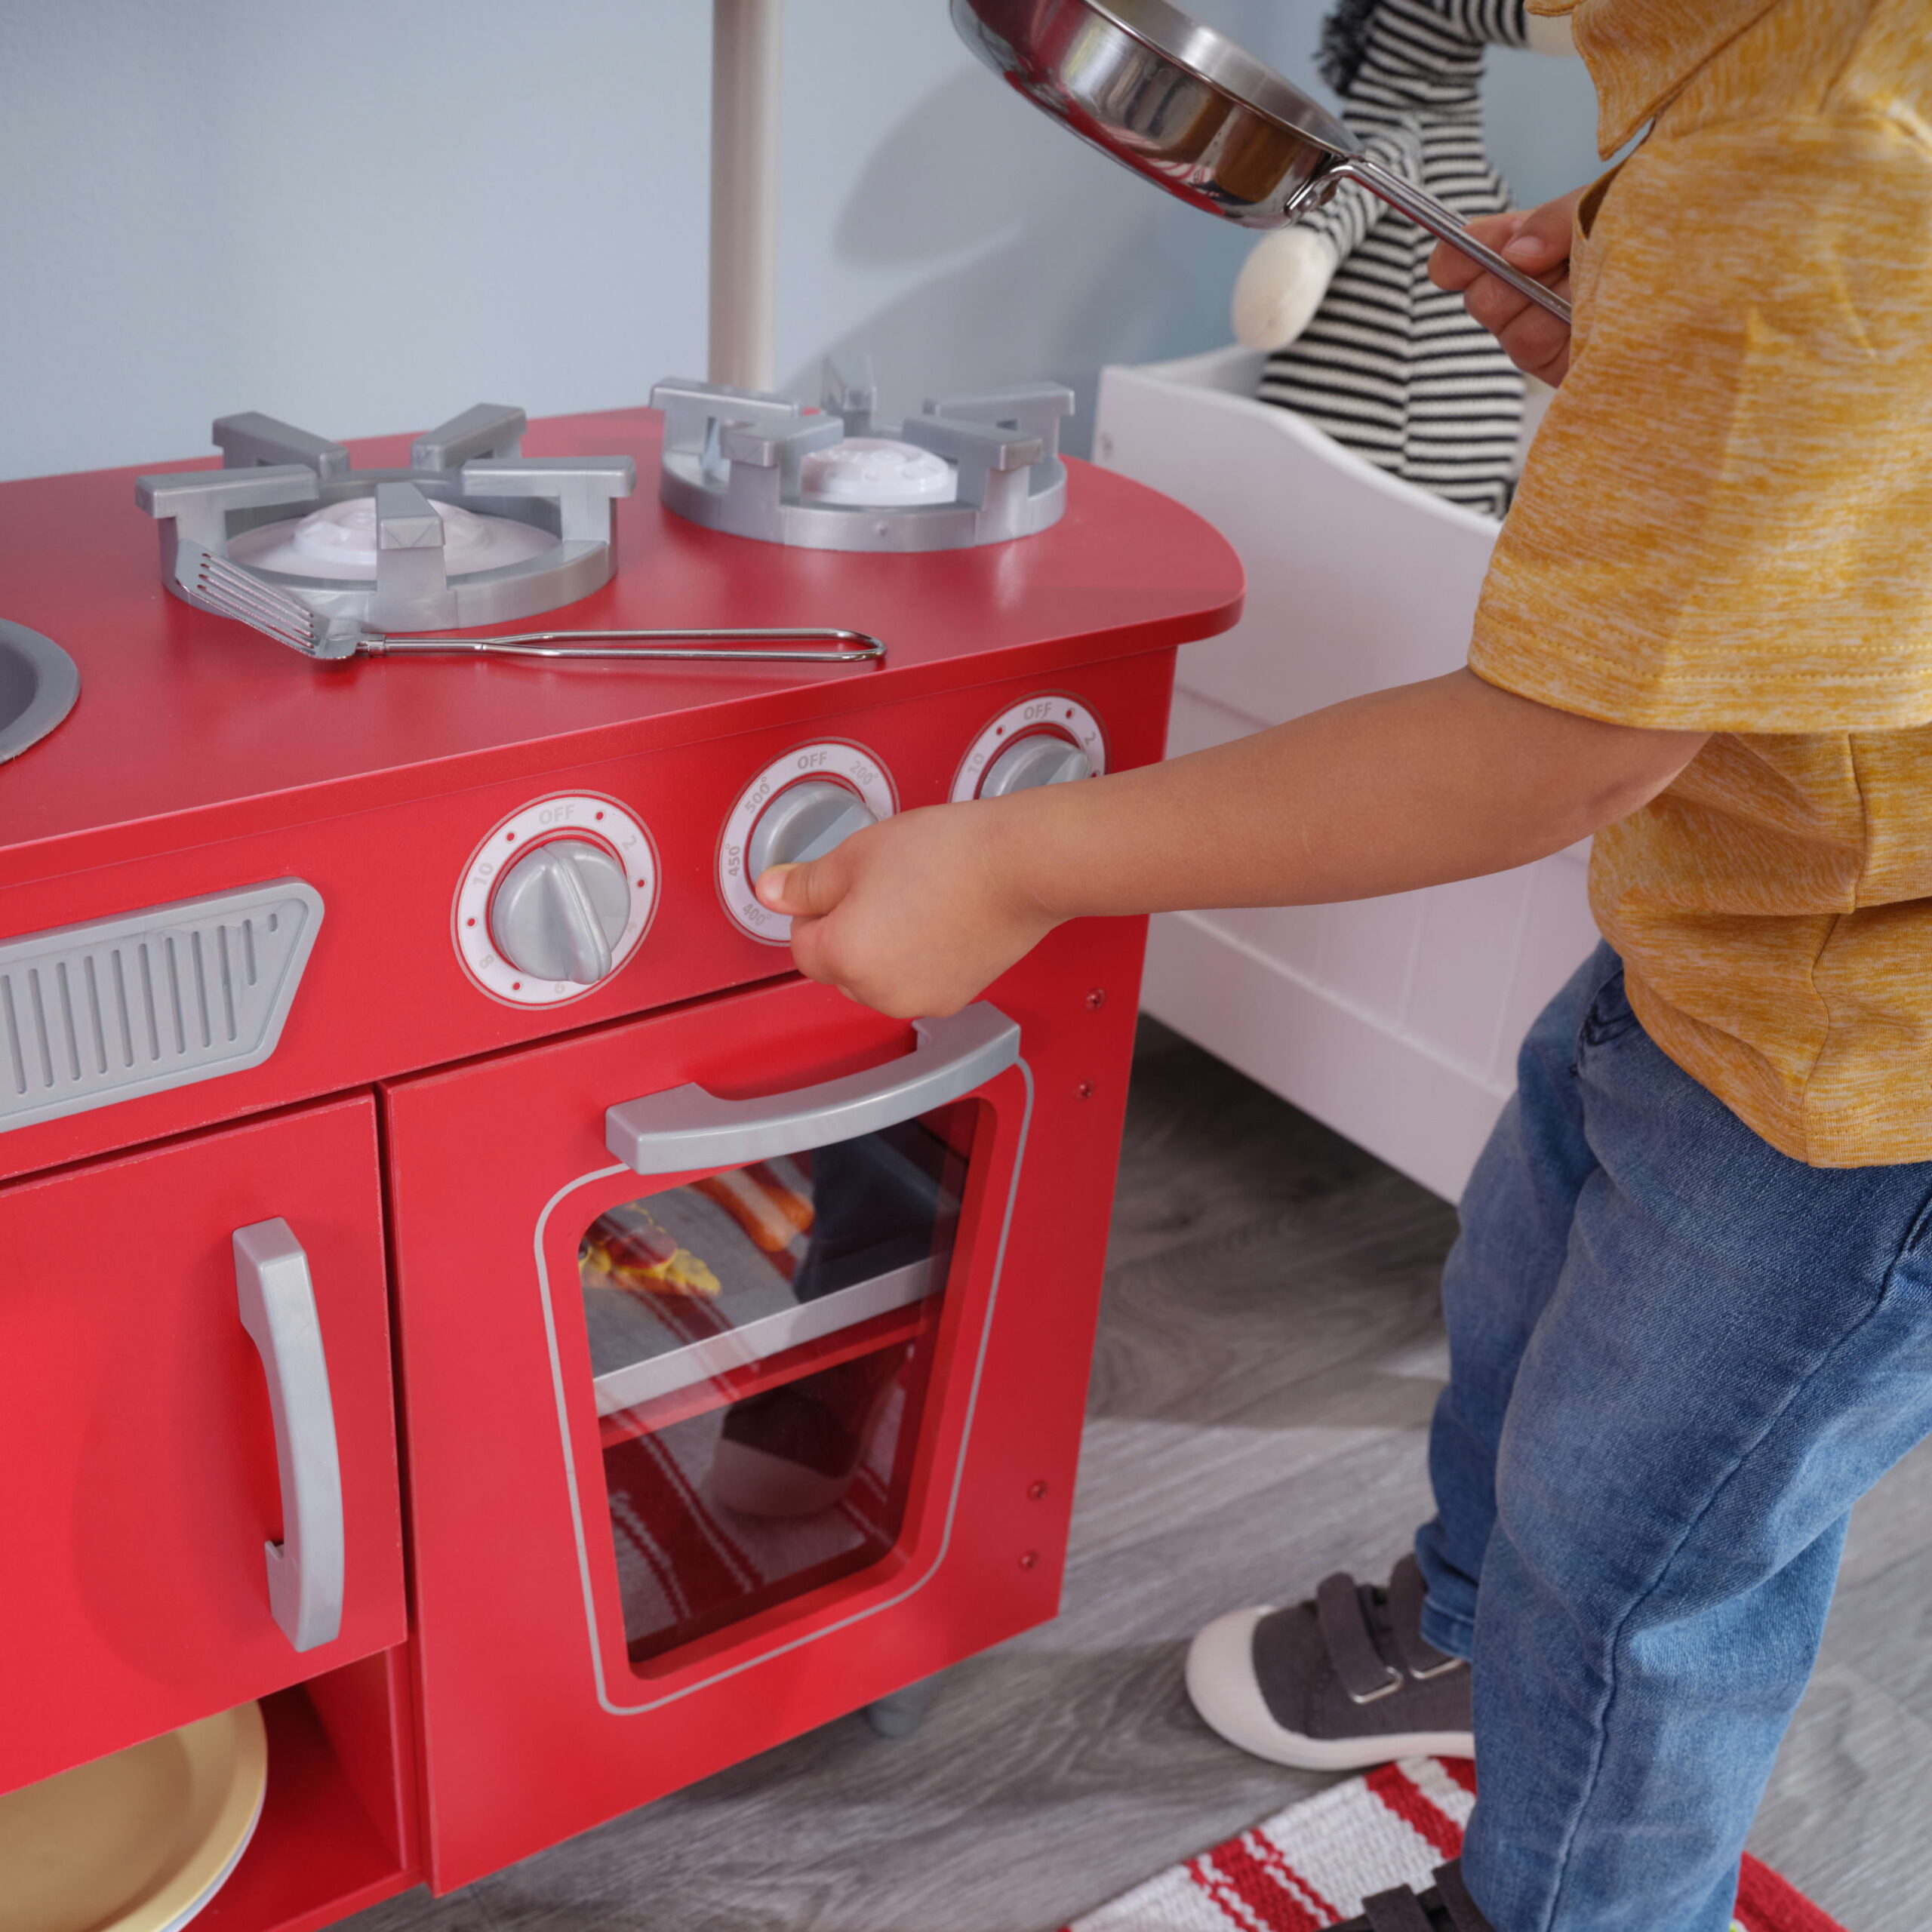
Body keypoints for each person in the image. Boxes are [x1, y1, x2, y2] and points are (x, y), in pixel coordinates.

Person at [755, 2, 1930, 1925]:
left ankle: (1562, 1898)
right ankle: (1476, 1622)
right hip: (1739, 917)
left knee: (1639, 1553)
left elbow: (1556, 747)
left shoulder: (1822, 161)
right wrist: (1646, 326)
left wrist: (1018, 859)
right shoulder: (1747, 94)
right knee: (1518, 1284)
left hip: (1864, 1055)